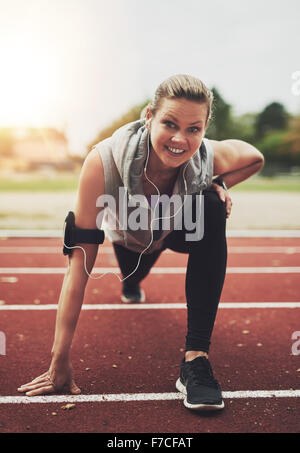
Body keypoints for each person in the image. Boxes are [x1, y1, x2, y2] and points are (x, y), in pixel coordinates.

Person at [18, 74, 264, 411]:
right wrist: (58, 360)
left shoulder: (204, 155)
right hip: (131, 241)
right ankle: (132, 284)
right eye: (170, 123)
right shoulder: (102, 163)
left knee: (210, 206)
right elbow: (78, 265)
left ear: (205, 129)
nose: (180, 139)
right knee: (133, 279)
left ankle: (195, 359)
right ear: (149, 117)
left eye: (194, 129)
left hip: (176, 228)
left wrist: (219, 182)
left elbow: (255, 158)